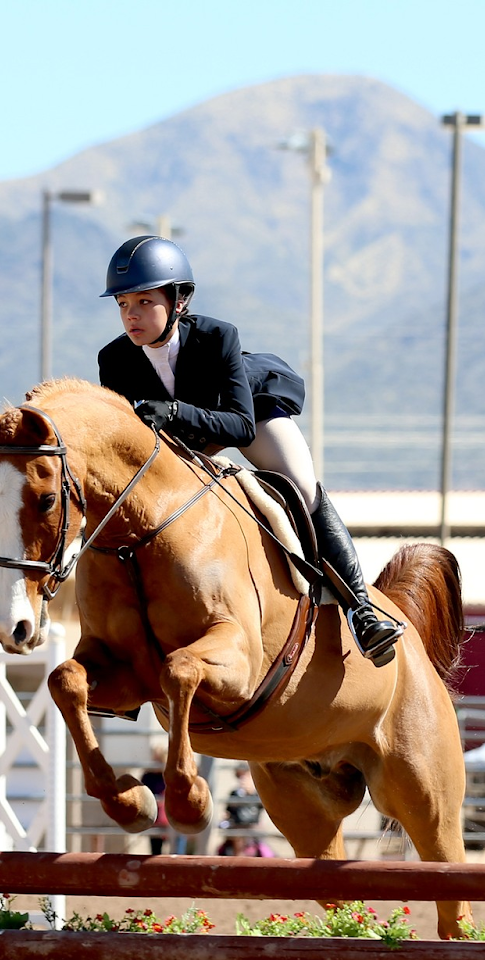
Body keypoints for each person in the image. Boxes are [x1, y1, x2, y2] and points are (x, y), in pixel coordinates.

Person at [96, 235, 404, 666]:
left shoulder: (218, 336)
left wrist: (175, 410)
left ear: (178, 300)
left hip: (248, 413)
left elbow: (239, 427)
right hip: (182, 433)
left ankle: (362, 612)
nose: (131, 315)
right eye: (123, 304)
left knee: (301, 486)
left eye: (145, 301)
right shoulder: (114, 359)